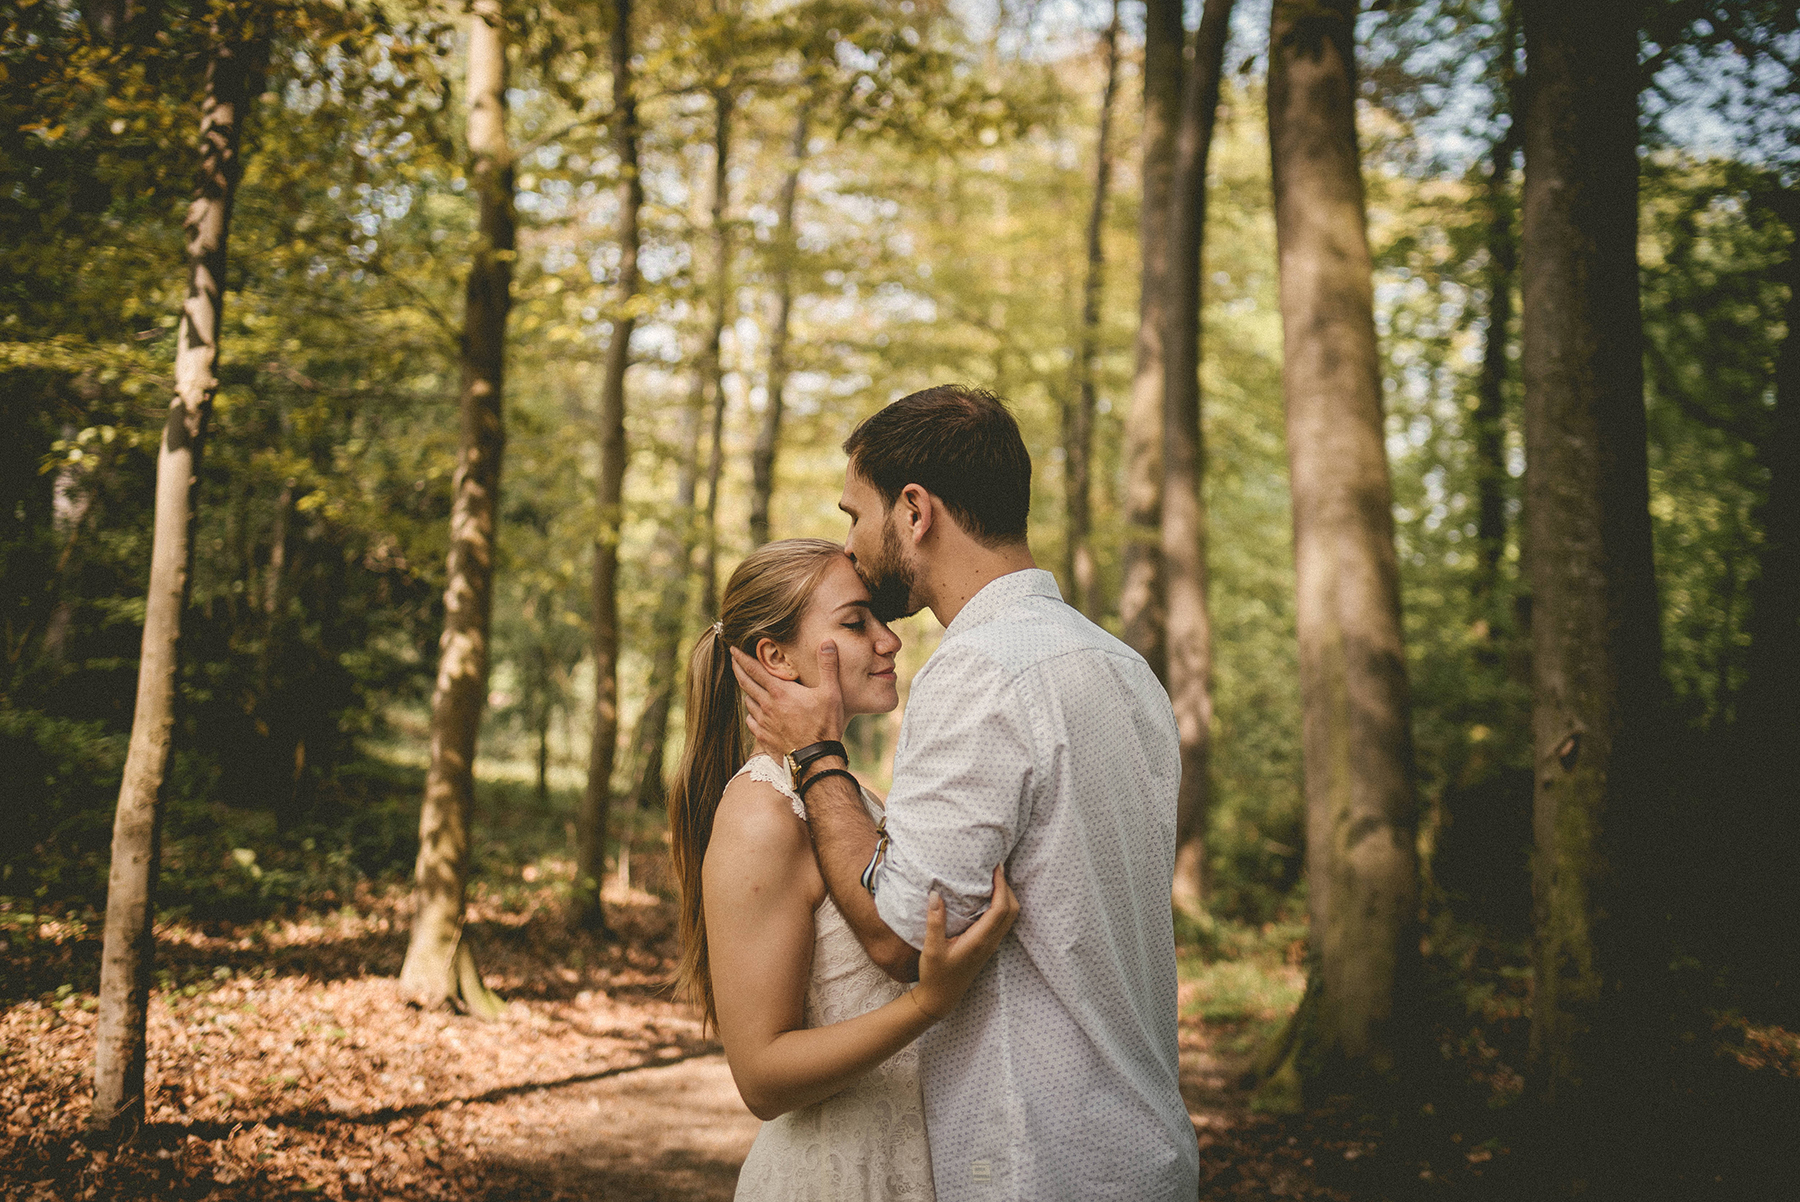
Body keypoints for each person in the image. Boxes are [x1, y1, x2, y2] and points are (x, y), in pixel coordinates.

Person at [731, 385, 1200, 1202]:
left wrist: (816, 753)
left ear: (915, 511)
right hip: (1144, 1146)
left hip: (1034, 1157)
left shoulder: (981, 669)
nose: (852, 538)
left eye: (855, 512)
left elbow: (900, 935)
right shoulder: (1125, 670)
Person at [666, 536, 1019, 1201]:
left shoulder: (850, 799)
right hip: (830, 1178)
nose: (890, 641)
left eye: (880, 622)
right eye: (856, 623)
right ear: (776, 657)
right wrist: (927, 1004)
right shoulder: (761, 817)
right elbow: (761, 1078)